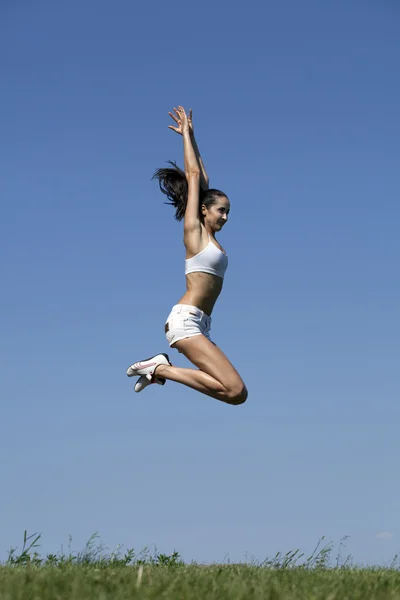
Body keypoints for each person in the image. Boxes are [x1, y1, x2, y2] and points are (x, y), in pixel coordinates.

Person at [126, 106, 247, 406]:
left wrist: (194, 141)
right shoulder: (194, 232)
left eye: (229, 212)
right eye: (222, 210)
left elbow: (202, 176)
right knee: (236, 391)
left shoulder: (213, 240)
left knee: (233, 394)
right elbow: (194, 175)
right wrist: (186, 135)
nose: (226, 217)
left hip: (201, 323)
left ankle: (159, 368)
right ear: (204, 210)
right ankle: (159, 367)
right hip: (185, 321)